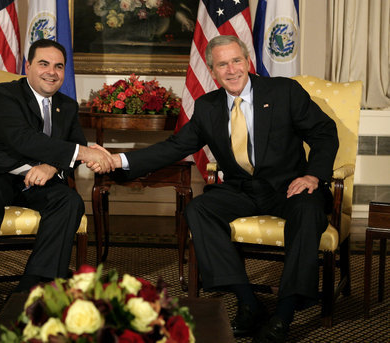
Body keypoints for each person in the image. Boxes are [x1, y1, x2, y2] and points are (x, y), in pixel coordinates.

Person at [95, 35, 338, 342]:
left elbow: (324, 133)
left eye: (236, 60)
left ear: (247, 62)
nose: (231, 69)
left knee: (308, 210)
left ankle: (284, 313)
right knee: (200, 209)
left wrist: (314, 176)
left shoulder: (284, 91)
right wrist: (118, 160)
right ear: (212, 72)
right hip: (242, 190)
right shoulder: (207, 107)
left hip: (289, 187)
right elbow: (174, 147)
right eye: (222, 64)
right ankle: (248, 302)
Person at [0, 39, 114, 332]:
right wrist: (85, 153)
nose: (51, 72)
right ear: (27, 67)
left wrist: (51, 166)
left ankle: (28, 290)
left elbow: (71, 147)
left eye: (58, 66)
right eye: (43, 64)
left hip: (36, 180)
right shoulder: (4, 94)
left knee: (70, 202)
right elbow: (24, 139)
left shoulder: (67, 105)